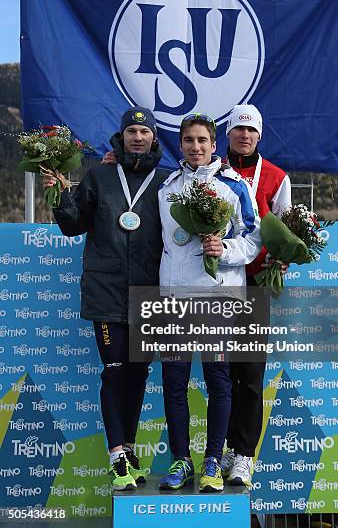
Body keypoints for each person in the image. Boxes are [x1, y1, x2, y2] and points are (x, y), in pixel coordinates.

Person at [42, 107, 169, 491]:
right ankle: (117, 455)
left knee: (138, 373)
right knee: (115, 371)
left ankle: (129, 451)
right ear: (121, 136)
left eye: (143, 132)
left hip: (150, 292)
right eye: (131, 131)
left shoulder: (166, 182)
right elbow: (72, 225)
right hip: (107, 290)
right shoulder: (99, 175)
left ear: (152, 139)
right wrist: (62, 193)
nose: (137, 137)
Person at [157, 113, 262, 493]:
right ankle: (181, 459)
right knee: (174, 383)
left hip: (218, 299)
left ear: (214, 145)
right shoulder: (166, 187)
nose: (195, 147)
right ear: (180, 144)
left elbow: (253, 239)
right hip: (174, 300)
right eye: (188, 140)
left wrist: (225, 248)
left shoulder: (234, 186)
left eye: (202, 140)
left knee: (219, 382)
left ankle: (214, 459)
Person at [220, 104, 291, 487]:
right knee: (222, 372)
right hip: (218, 281)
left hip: (255, 283)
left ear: (259, 136)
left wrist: (284, 260)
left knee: (249, 371)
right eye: (238, 130)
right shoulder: (213, 172)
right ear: (227, 134)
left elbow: (289, 227)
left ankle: (245, 454)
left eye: (251, 131)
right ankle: (229, 446)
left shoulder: (277, 177)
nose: (244, 136)